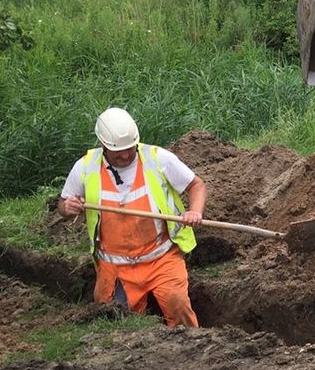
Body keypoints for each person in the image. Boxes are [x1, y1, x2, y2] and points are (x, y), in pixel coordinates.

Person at [57, 107, 206, 327]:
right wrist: (67, 208)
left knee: (178, 305)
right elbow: (63, 204)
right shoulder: (86, 167)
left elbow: (197, 185)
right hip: (115, 267)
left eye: (130, 148)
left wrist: (194, 211)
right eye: (119, 151)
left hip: (161, 259)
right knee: (117, 324)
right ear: (103, 145)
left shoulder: (157, 159)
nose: (126, 155)